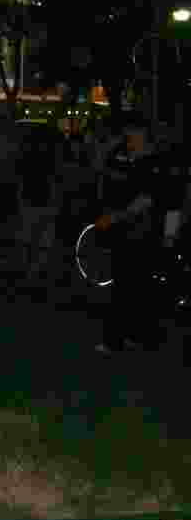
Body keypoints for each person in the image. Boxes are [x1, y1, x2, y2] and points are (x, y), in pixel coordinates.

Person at [94, 117, 171, 355]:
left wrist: (116, 217)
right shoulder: (129, 161)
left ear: (140, 136)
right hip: (128, 232)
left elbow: (146, 200)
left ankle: (116, 339)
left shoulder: (153, 164)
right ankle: (137, 336)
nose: (127, 141)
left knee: (128, 288)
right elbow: (102, 169)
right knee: (134, 287)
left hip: (141, 233)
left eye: (130, 136)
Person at [17, 134, 58, 280]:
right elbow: (53, 183)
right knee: (41, 238)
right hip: (42, 201)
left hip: (31, 201)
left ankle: (29, 268)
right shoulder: (49, 159)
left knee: (29, 237)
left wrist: (20, 200)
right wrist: (54, 203)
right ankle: (35, 268)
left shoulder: (26, 158)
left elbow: (20, 183)